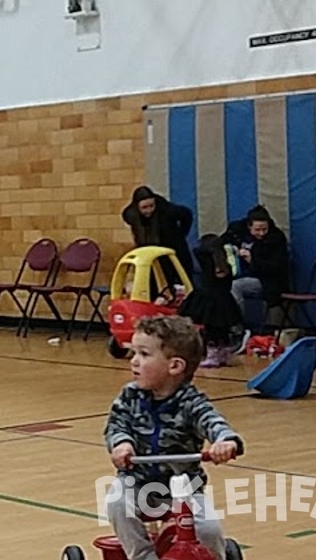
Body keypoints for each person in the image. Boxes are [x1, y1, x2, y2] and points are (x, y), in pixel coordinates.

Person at [104, 315, 243, 560]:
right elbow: (117, 425)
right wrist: (122, 444)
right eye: (134, 353)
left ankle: (213, 557)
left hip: (184, 487)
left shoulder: (191, 402)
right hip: (137, 483)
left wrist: (225, 441)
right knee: (116, 502)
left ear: (174, 366)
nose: (134, 361)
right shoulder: (130, 396)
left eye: (144, 354)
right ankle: (143, 555)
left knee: (209, 529)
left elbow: (212, 421)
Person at [221, 204, 290, 332]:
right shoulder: (235, 232)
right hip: (237, 273)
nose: (261, 233)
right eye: (257, 230)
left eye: (265, 229)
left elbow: (278, 267)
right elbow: (219, 245)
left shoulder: (276, 238)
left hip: (266, 281)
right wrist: (233, 251)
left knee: (236, 286)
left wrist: (253, 261)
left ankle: (237, 329)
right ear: (249, 226)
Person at [178, 235, 244, 368]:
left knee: (211, 329)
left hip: (210, 300)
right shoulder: (225, 264)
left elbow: (197, 252)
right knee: (222, 329)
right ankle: (223, 355)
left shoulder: (207, 262)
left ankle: (213, 355)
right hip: (224, 300)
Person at [121, 186, 195, 287]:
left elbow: (187, 214)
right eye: (144, 208)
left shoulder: (168, 210)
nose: (149, 210)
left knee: (180, 285)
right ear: (137, 208)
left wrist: (182, 233)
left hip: (174, 249)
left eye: (151, 206)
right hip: (149, 253)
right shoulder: (131, 215)